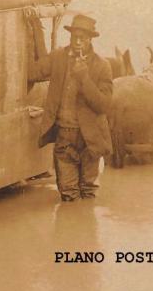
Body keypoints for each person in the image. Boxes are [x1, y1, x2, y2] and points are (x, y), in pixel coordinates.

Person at [27, 14, 113, 201]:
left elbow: (104, 105)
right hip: (65, 136)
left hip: (91, 139)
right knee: (68, 194)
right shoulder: (58, 57)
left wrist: (84, 79)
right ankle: (70, 226)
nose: (78, 41)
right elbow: (33, 72)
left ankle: (86, 228)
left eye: (83, 38)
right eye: (75, 37)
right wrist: (34, 28)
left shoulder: (102, 66)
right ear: (71, 37)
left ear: (91, 39)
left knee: (89, 191)